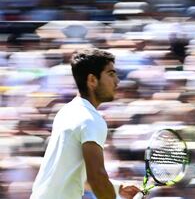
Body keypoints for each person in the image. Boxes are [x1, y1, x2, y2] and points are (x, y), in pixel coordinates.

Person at [30, 49, 140, 199]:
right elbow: (97, 178)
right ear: (92, 80)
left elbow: (77, 175)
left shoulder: (67, 111)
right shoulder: (91, 119)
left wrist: (117, 188)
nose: (117, 81)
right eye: (111, 74)